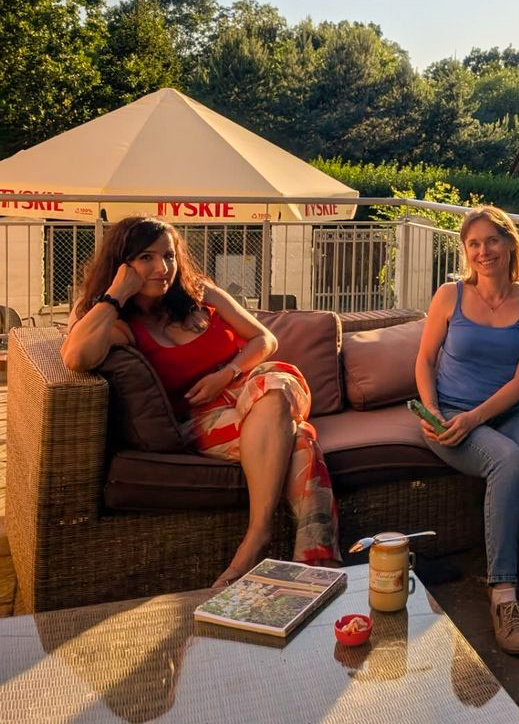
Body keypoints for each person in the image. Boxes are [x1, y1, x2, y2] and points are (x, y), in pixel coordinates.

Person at [60, 216, 340, 586]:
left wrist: (227, 373)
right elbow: (76, 357)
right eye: (146, 258)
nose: (162, 269)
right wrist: (115, 295)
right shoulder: (121, 323)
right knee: (299, 440)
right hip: (205, 421)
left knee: (274, 383)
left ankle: (255, 539)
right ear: (122, 265)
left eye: (168, 256)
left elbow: (265, 340)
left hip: (255, 386)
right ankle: (317, 567)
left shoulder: (201, 294)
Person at [414, 206, 519, 656]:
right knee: (507, 459)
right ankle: (503, 594)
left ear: (510, 243)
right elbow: (425, 359)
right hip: (449, 414)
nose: (483, 251)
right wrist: (433, 412)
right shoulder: (449, 295)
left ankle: (499, 546)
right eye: (473, 244)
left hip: (505, 413)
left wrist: (478, 417)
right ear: (465, 250)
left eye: (492, 240)